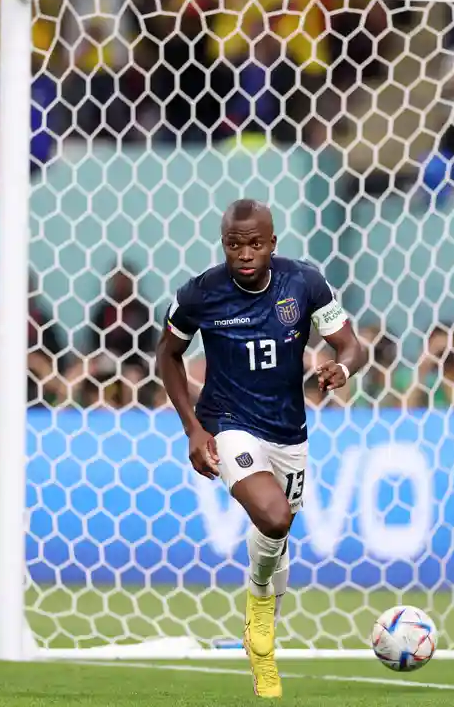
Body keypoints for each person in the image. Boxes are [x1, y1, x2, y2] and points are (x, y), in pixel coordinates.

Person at [155, 199, 365, 698]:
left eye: (254, 243)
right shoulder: (199, 294)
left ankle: (259, 608)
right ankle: (260, 616)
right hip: (227, 422)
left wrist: (344, 368)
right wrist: (192, 428)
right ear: (223, 243)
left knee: (280, 529)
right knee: (272, 516)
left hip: (289, 430)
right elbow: (167, 355)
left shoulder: (305, 284)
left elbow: (351, 343)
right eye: (234, 243)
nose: (244, 253)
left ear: (271, 243)